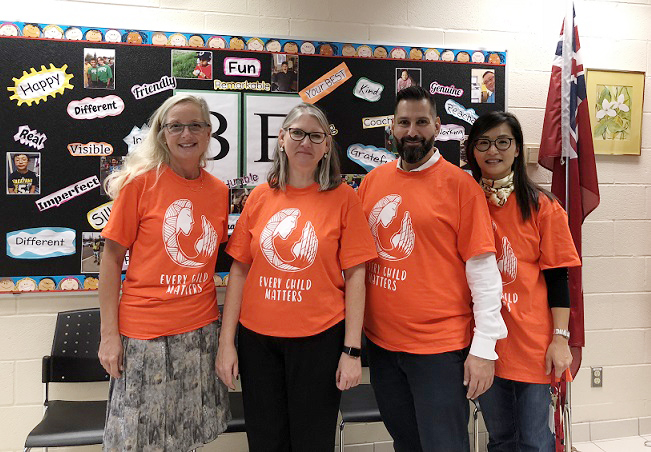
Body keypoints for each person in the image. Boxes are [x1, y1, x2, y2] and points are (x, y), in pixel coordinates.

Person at [217, 102, 377, 452]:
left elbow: (356, 276)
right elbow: (240, 271)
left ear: (325, 147)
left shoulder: (344, 198)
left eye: (315, 136)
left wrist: (351, 350)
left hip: (319, 340)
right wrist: (226, 342)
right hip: (258, 343)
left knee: (312, 442)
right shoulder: (259, 197)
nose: (305, 142)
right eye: (298, 133)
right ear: (282, 139)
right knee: (265, 441)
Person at [357, 86, 507, 452]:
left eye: (421, 122)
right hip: (382, 348)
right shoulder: (372, 182)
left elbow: (485, 274)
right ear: (391, 127)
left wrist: (485, 348)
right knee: (406, 444)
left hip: (437, 353)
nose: (412, 131)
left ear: (437, 126)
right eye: (404, 122)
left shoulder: (461, 187)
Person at [98, 93, 231, 451]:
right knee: (139, 441)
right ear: (162, 134)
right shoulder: (140, 185)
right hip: (144, 337)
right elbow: (110, 261)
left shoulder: (219, 192)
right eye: (175, 126)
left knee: (188, 437)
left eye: (195, 125)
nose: (185, 134)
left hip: (201, 332)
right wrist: (109, 336)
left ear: (208, 134)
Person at [466, 111, 581, 452]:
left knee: (534, 440)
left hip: (532, 345)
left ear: (517, 150)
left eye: (503, 141)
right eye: (483, 142)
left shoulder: (542, 206)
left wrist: (560, 339)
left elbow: (559, 278)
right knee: (501, 439)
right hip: (484, 345)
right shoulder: (464, 202)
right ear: (472, 150)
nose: (493, 150)